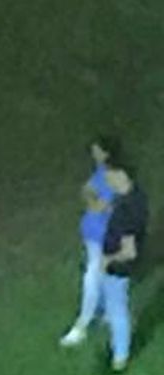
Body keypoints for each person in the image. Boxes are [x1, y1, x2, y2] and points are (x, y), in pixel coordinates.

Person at [60, 135, 121, 346]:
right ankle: (105, 313)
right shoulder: (100, 173)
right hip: (93, 235)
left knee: (91, 277)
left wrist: (91, 197)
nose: (94, 155)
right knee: (100, 275)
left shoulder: (113, 177)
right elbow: (87, 192)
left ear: (107, 153)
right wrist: (90, 196)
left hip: (103, 236)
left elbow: (99, 205)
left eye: (97, 151)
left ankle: (82, 324)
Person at [97, 159, 147, 373]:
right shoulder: (133, 195)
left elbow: (129, 252)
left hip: (118, 267)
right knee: (114, 303)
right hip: (116, 265)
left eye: (109, 177)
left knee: (118, 309)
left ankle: (120, 357)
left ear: (121, 175)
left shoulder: (127, 210)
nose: (106, 181)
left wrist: (108, 260)